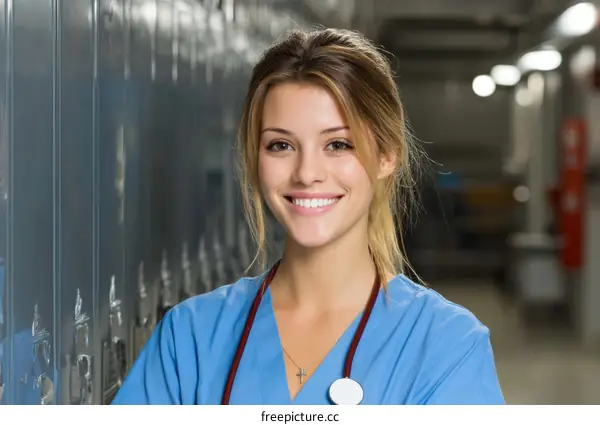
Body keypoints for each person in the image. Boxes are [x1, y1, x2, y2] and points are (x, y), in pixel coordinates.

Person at [112, 27, 505, 405]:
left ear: (387, 155)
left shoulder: (445, 346)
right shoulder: (190, 340)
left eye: (337, 144)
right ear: (255, 159)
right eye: (281, 145)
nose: (306, 173)